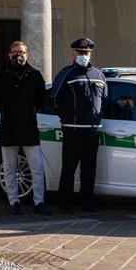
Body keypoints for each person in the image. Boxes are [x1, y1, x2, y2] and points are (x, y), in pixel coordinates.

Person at [0, 41, 52, 215]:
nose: (19, 55)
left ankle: (39, 202)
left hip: (29, 128)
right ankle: (14, 201)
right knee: (10, 167)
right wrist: (7, 112)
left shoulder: (34, 75)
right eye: (16, 52)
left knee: (37, 167)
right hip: (9, 127)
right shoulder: (2, 74)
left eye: (22, 52)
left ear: (27, 54)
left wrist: (31, 111)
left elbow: (41, 98)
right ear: (9, 54)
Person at [50, 37, 109, 214]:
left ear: (91, 53)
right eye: (81, 52)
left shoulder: (99, 75)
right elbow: (54, 99)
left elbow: (104, 100)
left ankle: (87, 202)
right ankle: (64, 203)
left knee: (89, 169)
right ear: (73, 53)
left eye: (87, 52)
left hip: (92, 131)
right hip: (72, 129)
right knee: (69, 168)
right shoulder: (66, 74)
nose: (84, 55)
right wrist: (69, 117)